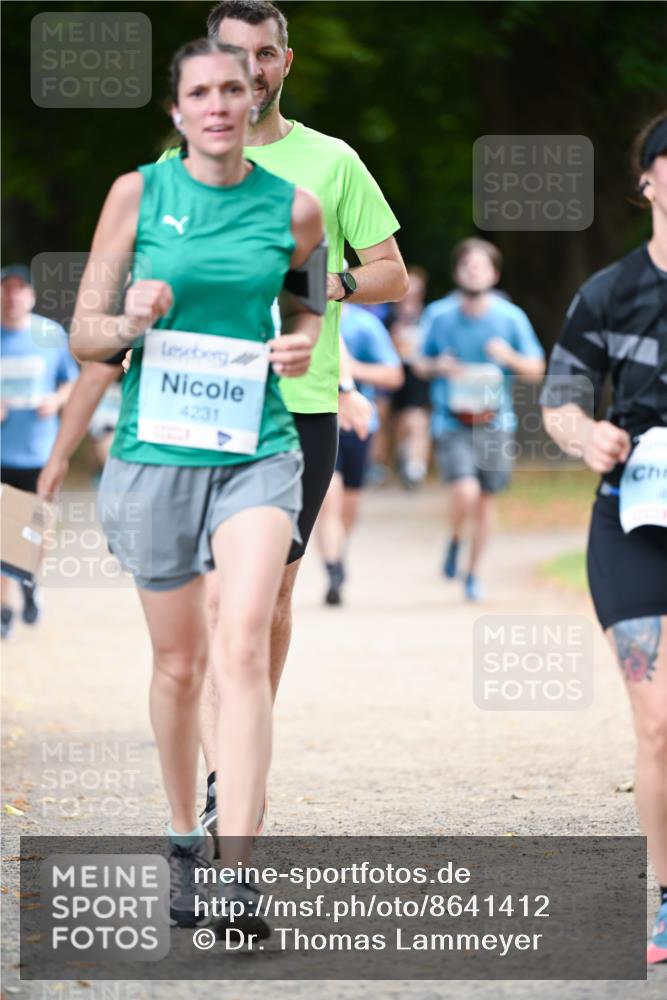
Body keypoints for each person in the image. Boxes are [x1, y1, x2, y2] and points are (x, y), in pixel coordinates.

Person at [68, 37, 325, 936]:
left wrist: (297, 340)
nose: (219, 104)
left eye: (233, 88)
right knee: (179, 667)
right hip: (155, 453)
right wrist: (128, 317)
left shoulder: (294, 210)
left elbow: (305, 304)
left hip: (256, 445)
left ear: (255, 97)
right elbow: (83, 338)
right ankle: (183, 837)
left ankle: (237, 873)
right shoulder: (138, 195)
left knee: (243, 644)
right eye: (199, 93)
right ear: (176, 111)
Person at [160, 0, 408, 836]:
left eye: (265, 54)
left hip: (300, 407)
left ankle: (240, 751)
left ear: (284, 63)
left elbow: (390, 275)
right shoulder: (176, 160)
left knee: (265, 604)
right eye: (234, 55)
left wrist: (321, 285)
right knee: (215, 602)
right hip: (201, 405)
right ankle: (226, 783)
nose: (251, 70)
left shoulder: (330, 162)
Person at [541, 112, 667, 966]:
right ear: (649, 181)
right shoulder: (611, 291)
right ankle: (664, 892)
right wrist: (587, 436)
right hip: (634, 518)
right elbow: (559, 398)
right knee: (657, 720)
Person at [414, 239, 545, 602]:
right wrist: (439, 366)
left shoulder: (510, 318)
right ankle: (455, 538)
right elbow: (418, 363)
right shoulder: (439, 315)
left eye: (481, 266)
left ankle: (473, 573)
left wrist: (508, 357)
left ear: (494, 273)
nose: (474, 271)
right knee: (464, 491)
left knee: (486, 499)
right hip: (452, 420)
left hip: (495, 421)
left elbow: (536, 368)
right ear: (457, 272)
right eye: (468, 265)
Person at [1, 265, 79, 638]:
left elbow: (72, 382)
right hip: (3, 454)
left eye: (20, 289)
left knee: (34, 531)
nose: (12, 296)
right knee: (3, 532)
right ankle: (4, 607)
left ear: (31, 296)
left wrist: (55, 399)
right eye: (6, 289)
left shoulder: (49, 335)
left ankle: (30, 582)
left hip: (40, 453)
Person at [316, 303, 403, 605]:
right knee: (328, 501)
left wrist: (348, 368)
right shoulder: (300, 315)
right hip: (318, 421)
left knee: (349, 506)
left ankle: (339, 551)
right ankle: (332, 570)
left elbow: (394, 375)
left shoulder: (365, 326)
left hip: (358, 424)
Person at [389, 265, 432, 489]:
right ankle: (401, 460)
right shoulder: (387, 316)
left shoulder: (429, 317)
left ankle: (416, 469)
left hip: (419, 376)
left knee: (417, 420)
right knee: (399, 424)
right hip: (392, 377)